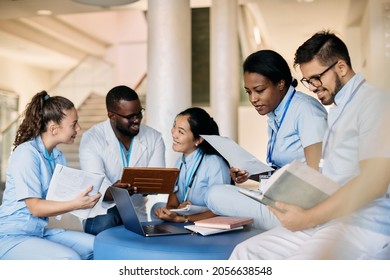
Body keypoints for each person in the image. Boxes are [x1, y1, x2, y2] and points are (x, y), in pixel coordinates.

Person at [230, 30, 390, 260]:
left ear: (341, 68)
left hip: (362, 222)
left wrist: (308, 217)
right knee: (246, 252)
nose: (312, 86)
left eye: (316, 78)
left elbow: (373, 183)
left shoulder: (373, 102)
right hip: (328, 216)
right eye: (307, 80)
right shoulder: (337, 111)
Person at [205, 49, 328, 230]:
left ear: (280, 83)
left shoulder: (305, 110)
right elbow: (281, 172)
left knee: (214, 195)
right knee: (217, 192)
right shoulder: (274, 115)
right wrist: (251, 174)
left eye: (259, 90)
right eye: (248, 92)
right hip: (278, 197)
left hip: (299, 208)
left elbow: (318, 172)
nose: (253, 99)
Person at [0, 91, 101, 260]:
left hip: (38, 232)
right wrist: (75, 204)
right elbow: (35, 207)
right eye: (74, 124)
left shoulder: (58, 156)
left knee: (98, 247)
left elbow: (61, 197)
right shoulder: (26, 154)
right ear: (54, 129)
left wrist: (86, 197)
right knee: (70, 259)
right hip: (11, 235)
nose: (78, 128)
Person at [79, 85, 165, 235]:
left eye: (139, 113)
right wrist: (115, 192)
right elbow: (96, 187)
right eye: (130, 116)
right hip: (102, 212)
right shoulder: (92, 138)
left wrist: (152, 185)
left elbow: (157, 178)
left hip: (136, 210)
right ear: (112, 116)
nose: (137, 120)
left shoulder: (154, 137)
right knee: (109, 217)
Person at [153, 107, 231, 223]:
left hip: (208, 224)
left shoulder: (215, 163)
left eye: (181, 131)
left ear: (198, 139)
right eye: (174, 126)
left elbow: (221, 210)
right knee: (155, 208)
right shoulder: (179, 162)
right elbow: (172, 203)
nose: (174, 134)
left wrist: (183, 218)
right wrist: (171, 211)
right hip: (185, 218)